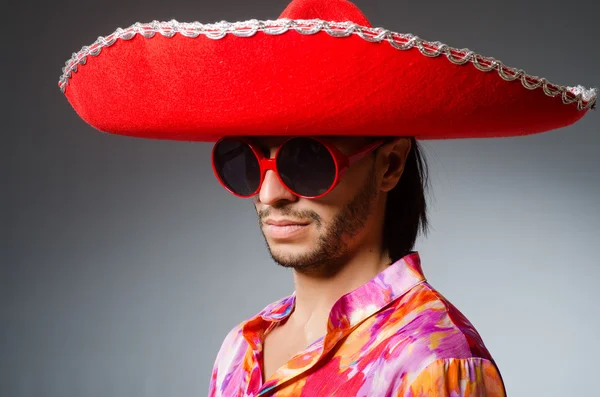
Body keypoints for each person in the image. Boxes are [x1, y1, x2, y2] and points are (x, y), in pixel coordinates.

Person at [57, 0, 595, 395]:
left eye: (306, 160)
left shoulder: (433, 363)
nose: (270, 193)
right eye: (246, 160)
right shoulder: (240, 351)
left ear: (389, 165)